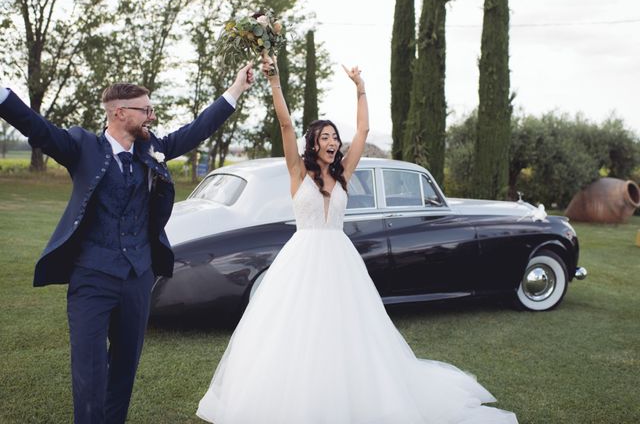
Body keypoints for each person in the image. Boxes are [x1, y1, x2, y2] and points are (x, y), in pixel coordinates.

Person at [196, 55, 518, 424]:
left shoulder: (344, 173)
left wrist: (360, 89)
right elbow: (286, 123)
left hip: (340, 261)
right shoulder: (297, 171)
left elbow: (363, 132)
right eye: (326, 137)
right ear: (314, 143)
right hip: (301, 260)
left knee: (348, 330)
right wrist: (275, 82)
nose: (333, 142)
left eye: (335, 137)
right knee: (296, 329)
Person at [0, 62, 254, 424]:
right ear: (120, 113)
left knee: (124, 369)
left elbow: (197, 129)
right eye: (145, 109)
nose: (151, 115)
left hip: (137, 276)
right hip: (91, 278)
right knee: (88, 371)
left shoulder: (152, 149)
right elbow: (36, 128)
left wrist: (236, 89)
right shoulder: (81, 146)